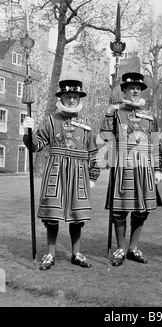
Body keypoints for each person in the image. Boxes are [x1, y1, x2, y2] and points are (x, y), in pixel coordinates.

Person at [23, 79, 100, 270]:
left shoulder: (87, 123)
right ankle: (50, 254)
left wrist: (93, 175)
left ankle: (76, 253)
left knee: (77, 216)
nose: (72, 100)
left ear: (79, 98)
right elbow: (36, 146)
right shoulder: (50, 121)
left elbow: (93, 152)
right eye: (68, 96)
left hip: (79, 173)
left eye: (75, 96)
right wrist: (28, 131)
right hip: (56, 171)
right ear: (62, 98)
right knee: (52, 215)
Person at [99, 72, 162, 267]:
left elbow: (155, 144)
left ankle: (133, 247)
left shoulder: (150, 116)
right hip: (123, 165)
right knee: (119, 210)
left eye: (138, 88)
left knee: (141, 211)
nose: (135, 90)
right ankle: (119, 248)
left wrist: (158, 168)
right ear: (124, 91)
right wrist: (109, 114)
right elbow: (105, 136)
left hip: (144, 167)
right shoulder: (116, 112)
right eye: (131, 88)